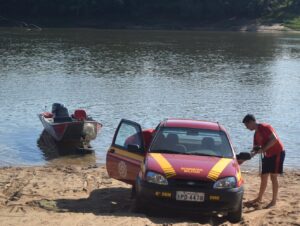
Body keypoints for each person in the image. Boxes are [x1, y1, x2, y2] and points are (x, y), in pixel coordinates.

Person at [242, 114, 285, 208]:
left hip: (277, 152)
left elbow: (274, 139)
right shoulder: (255, 135)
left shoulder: (265, 127)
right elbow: (255, 150)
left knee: (273, 176)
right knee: (263, 176)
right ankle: (259, 198)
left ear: (251, 122)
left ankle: (273, 202)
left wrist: (264, 149)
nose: (247, 128)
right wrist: (244, 159)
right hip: (268, 155)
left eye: (247, 125)